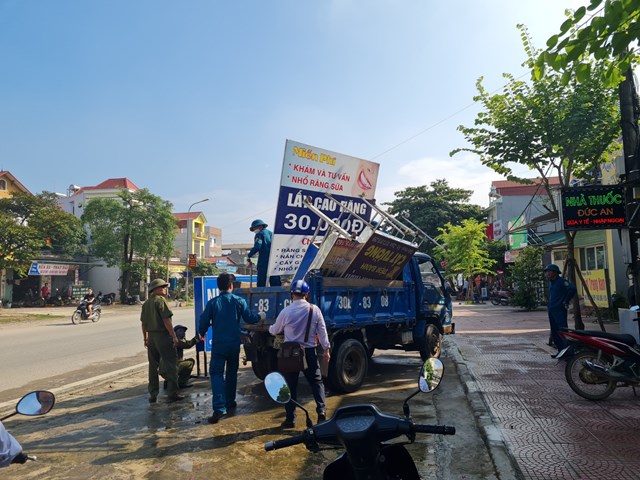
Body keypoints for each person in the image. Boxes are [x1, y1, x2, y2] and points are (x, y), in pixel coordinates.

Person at [198, 272, 265, 424]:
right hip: (234, 344)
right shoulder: (239, 301)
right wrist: (260, 317)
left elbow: (203, 322)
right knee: (231, 374)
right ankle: (230, 402)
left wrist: (201, 333)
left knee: (216, 374)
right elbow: (250, 318)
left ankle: (219, 408)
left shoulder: (213, 303)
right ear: (231, 286)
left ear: (219, 286)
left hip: (219, 345)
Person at [269, 279, 331, 428]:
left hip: (290, 354)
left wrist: (271, 328)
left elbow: (274, 330)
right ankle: (321, 411)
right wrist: (326, 350)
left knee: (290, 387)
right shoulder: (314, 310)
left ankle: (291, 419)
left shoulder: (286, 311)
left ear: (292, 294)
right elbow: (322, 332)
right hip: (309, 352)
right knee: (316, 383)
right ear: (306, 294)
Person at [140, 278, 184, 403]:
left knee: (153, 366)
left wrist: (145, 338)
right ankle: (173, 393)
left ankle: (153, 394)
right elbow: (166, 321)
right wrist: (174, 336)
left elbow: (143, 323)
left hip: (151, 337)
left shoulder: (146, 303)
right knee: (171, 365)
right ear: (156, 290)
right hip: (163, 337)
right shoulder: (161, 301)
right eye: (163, 287)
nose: (165, 289)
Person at [544, 264, 577, 358]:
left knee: (562, 331)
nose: (548, 273)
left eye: (549, 271)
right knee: (555, 332)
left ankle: (569, 354)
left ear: (555, 272)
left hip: (559, 310)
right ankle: (561, 351)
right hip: (552, 309)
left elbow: (572, 289)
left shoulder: (562, 281)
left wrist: (566, 300)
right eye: (547, 271)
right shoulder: (551, 282)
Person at [247, 219, 281, 287]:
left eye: (254, 229)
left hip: (264, 261)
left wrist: (249, 255)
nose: (254, 231)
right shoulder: (271, 234)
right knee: (275, 281)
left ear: (259, 227)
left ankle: (260, 296)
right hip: (274, 260)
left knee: (261, 281)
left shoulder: (259, 234)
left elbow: (258, 246)